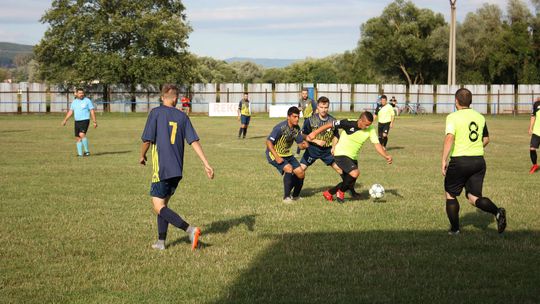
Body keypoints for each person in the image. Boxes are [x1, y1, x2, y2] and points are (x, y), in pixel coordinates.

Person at [140, 84, 214, 251]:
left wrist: (141, 155)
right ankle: (161, 241)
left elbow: (147, 140)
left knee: (158, 207)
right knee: (163, 205)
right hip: (176, 169)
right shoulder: (182, 116)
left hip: (162, 168)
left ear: (162, 97)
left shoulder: (156, 113)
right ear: (175, 98)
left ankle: (191, 230)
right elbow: (193, 141)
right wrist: (206, 163)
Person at [442, 88, 506, 235]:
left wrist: (443, 160)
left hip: (460, 161)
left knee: (450, 194)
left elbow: (449, 138)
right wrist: (475, 147)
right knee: (473, 197)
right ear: (470, 102)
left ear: (456, 101)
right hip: (478, 161)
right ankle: (497, 212)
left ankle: (455, 230)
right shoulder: (480, 117)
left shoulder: (453, 117)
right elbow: (486, 139)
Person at [307, 111, 392, 203]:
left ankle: (329, 193)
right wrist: (314, 133)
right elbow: (330, 124)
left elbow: (377, 144)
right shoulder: (348, 123)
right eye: (366, 125)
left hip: (353, 156)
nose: (367, 127)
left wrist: (386, 155)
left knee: (350, 181)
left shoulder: (370, 129)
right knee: (355, 173)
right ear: (360, 120)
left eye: (369, 125)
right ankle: (341, 192)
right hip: (341, 154)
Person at [266, 106, 309, 202]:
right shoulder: (280, 128)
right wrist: (276, 157)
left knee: (301, 173)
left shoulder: (296, 128)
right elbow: (268, 142)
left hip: (287, 154)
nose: (297, 119)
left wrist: (305, 144)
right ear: (288, 117)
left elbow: (300, 146)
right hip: (274, 154)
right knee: (289, 169)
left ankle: (296, 196)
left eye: (298, 117)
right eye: (294, 116)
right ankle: (286, 197)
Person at [61, 88, 97, 157]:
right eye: (80, 93)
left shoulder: (87, 101)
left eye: (82, 93)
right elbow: (71, 111)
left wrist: (94, 121)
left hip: (85, 120)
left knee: (81, 134)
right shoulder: (74, 102)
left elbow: (92, 111)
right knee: (78, 138)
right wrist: (65, 120)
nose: (81, 94)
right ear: (76, 94)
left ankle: (87, 152)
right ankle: (80, 154)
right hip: (77, 121)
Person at [528, 97, 540, 174]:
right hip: (536, 131)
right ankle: (535, 165)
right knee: (532, 148)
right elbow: (533, 116)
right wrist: (530, 127)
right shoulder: (536, 104)